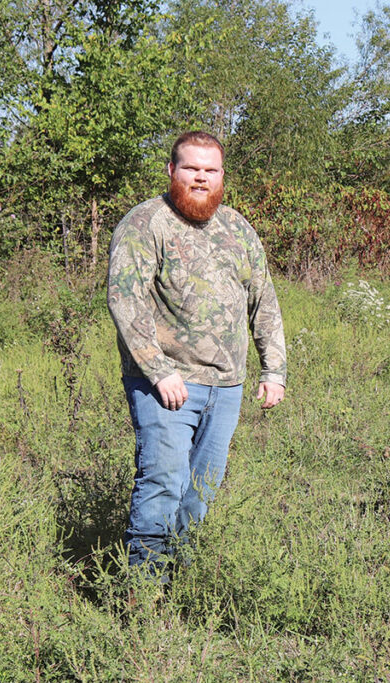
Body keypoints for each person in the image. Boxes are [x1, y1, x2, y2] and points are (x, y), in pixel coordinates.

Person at [107, 131, 286, 581]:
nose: (201, 177)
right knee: (163, 485)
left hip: (226, 387)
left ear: (222, 176)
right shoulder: (145, 223)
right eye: (191, 168)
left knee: (200, 493)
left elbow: (263, 300)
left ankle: (181, 586)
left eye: (211, 170)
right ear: (171, 171)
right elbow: (125, 301)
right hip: (166, 385)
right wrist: (158, 370)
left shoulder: (238, 228)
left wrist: (274, 369)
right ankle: (144, 596)